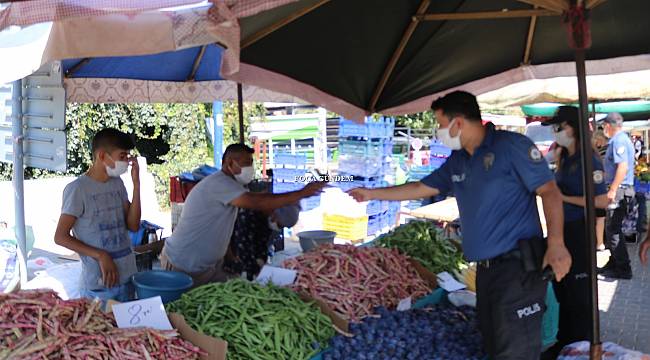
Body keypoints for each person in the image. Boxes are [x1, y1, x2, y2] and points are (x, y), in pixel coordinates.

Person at [348, 91, 571, 359]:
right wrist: (372, 194)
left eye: (441, 125)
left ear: (459, 123)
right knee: (493, 344)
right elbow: (421, 186)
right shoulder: (459, 159)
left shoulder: (512, 146)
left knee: (515, 351)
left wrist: (556, 243)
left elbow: (549, 191)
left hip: (517, 271)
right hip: (487, 273)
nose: (439, 132)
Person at [161, 144, 325, 287]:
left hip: (209, 267)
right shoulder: (220, 183)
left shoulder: (234, 187)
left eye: (251, 163)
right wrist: (301, 193)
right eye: (246, 163)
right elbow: (257, 202)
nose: (250, 168)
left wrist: (228, 253)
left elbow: (221, 224)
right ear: (230, 163)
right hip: (182, 265)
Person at [541, 106, 608, 354]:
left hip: (580, 232)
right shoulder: (565, 157)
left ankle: (584, 345)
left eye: (561, 126)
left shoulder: (588, 160)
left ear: (574, 127)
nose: (557, 131)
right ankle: (567, 343)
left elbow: (602, 202)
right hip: (563, 231)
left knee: (581, 296)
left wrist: (564, 198)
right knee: (564, 289)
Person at [54, 128, 141, 303]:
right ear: (102, 156)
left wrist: (136, 185)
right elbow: (60, 237)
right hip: (99, 286)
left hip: (127, 279)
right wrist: (101, 255)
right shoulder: (77, 189)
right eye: (122, 156)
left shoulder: (118, 183)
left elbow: (133, 225)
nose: (127, 162)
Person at [599, 112, 635, 279]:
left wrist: (612, 189)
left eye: (603, 126)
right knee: (611, 228)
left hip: (619, 190)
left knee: (613, 230)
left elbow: (622, 167)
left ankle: (623, 268)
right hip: (620, 189)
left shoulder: (619, 140)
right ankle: (614, 263)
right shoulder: (618, 140)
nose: (603, 129)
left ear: (608, 125)